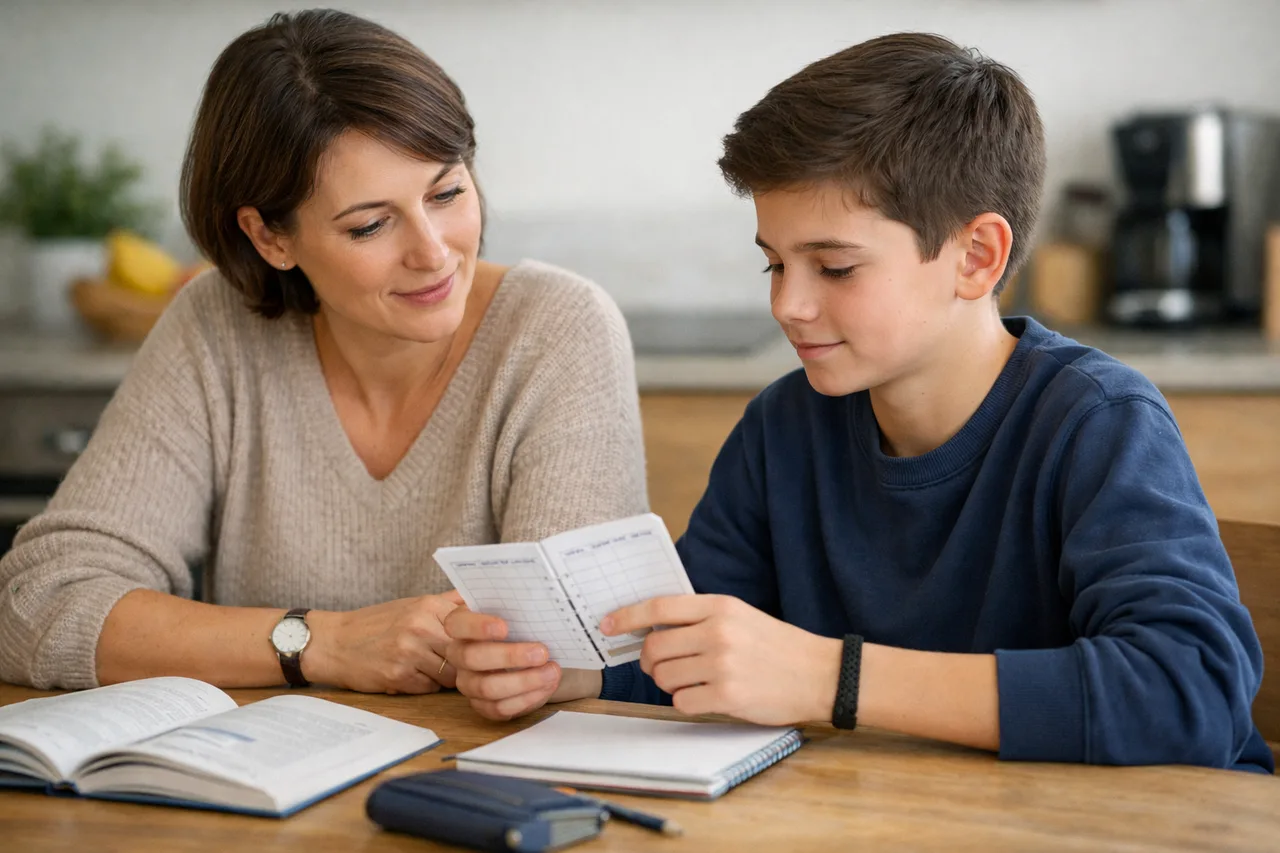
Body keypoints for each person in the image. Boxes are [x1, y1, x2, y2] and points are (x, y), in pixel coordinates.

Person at [442, 33, 1272, 773]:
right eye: (774, 263)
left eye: (834, 268)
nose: (788, 305)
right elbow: (701, 652)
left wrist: (827, 677)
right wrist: (568, 669)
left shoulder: (1097, 421)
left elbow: (1190, 691)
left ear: (976, 257)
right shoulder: (783, 427)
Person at [0, 9, 646, 698]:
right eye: (369, 225)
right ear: (270, 237)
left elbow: (575, 654)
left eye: (448, 192)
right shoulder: (216, 325)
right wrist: (321, 641)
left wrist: (529, 668)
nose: (433, 253)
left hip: (471, 784)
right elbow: (36, 605)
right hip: (254, 787)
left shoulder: (557, 326)